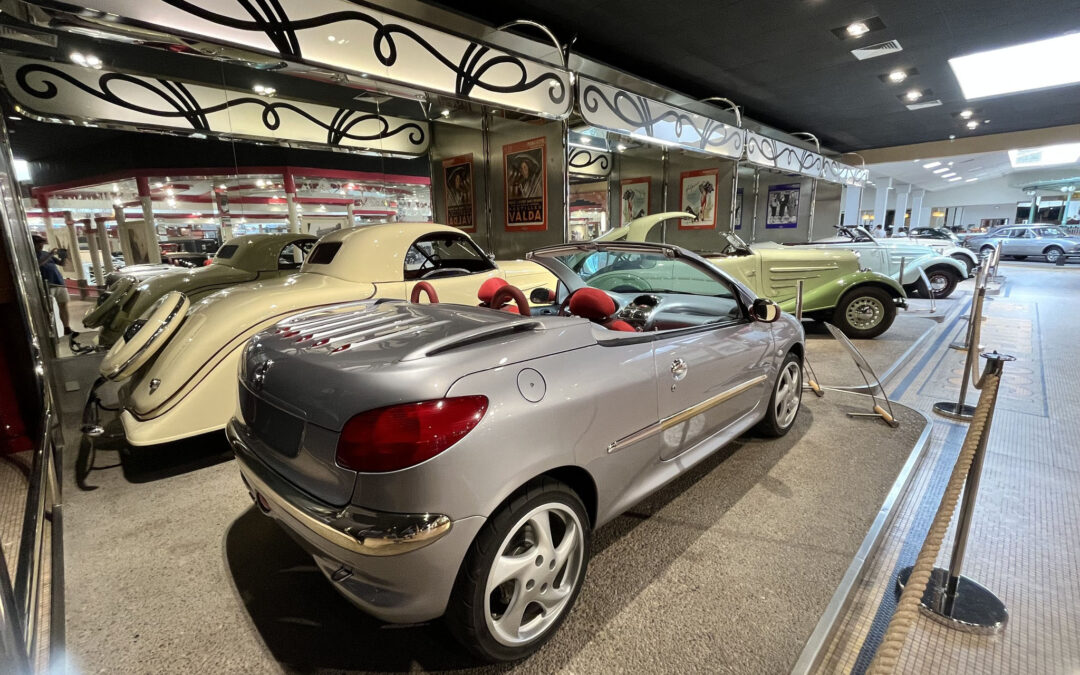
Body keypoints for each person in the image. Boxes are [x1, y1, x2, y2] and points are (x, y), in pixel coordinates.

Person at [32, 234, 73, 335]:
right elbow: (38, 264)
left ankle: (67, 327)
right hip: (47, 285)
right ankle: (50, 330)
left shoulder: (45, 253)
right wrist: (50, 254)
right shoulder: (31, 255)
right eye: (38, 244)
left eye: (41, 243)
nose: (41, 246)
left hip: (59, 282)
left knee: (63, 305)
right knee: (48, 309)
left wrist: (63, 256)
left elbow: (61, 264)